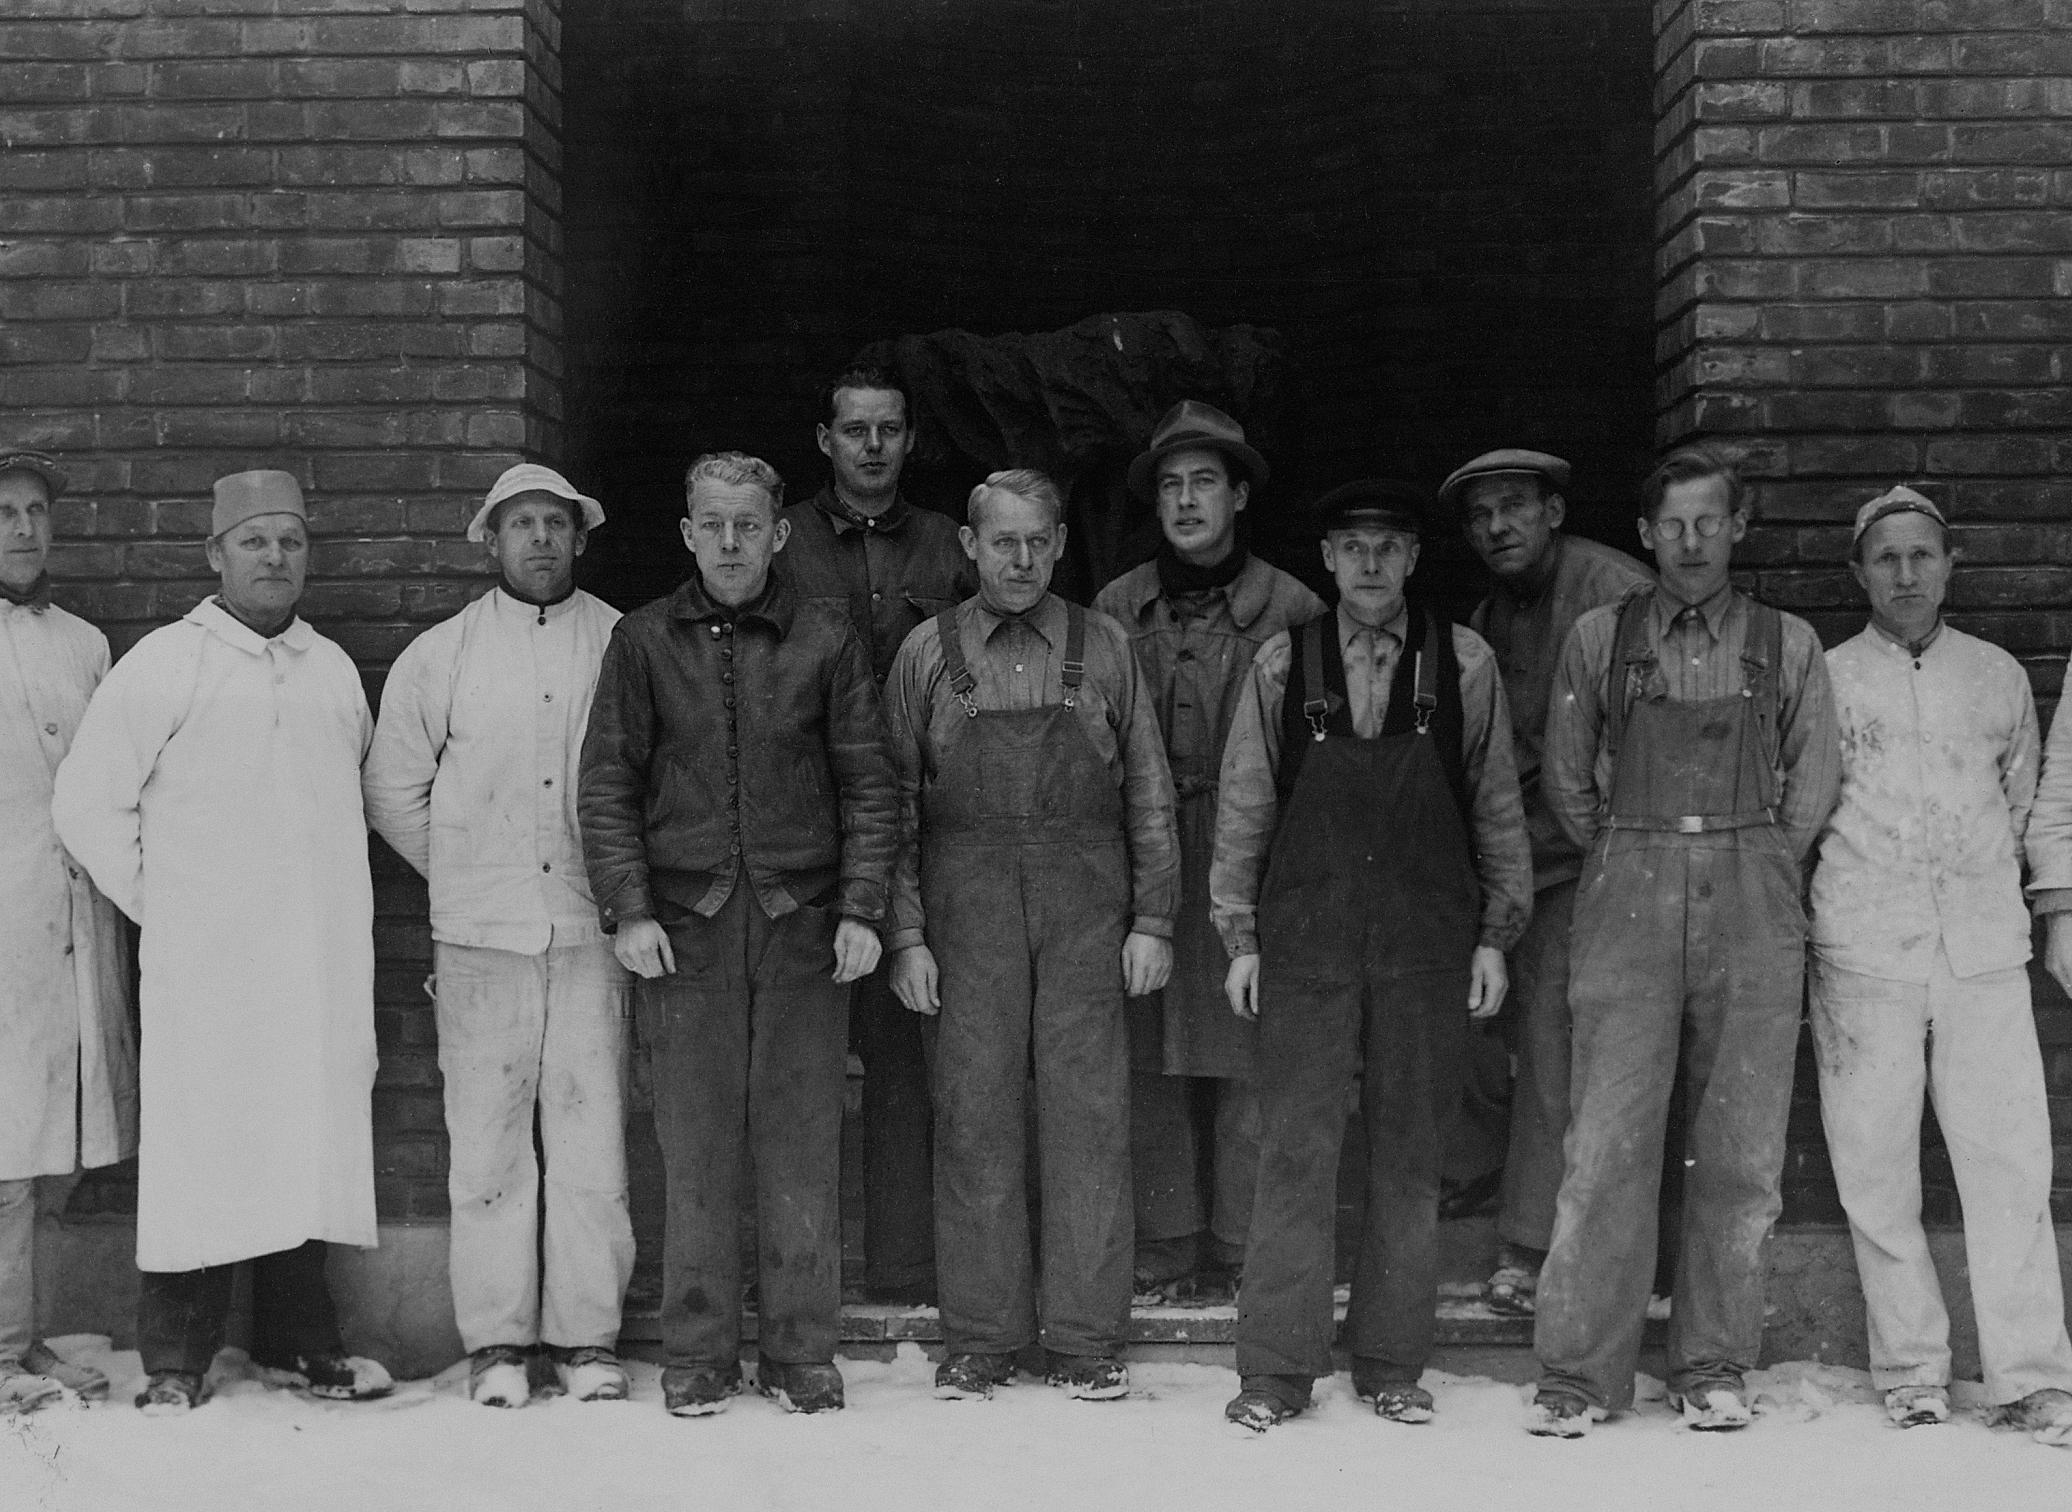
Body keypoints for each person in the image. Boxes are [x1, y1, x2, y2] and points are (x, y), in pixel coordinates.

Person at [52, 469, 391, 1414]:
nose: (274, 558)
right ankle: (176, 1358)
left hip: (313, 970)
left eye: (290, 541)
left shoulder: (330, 670)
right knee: (204, 1150)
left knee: (302, 1143)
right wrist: (171, 906)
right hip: (208, 973)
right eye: (254, 542)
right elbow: (86, 804)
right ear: (215, 554)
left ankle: (299, 1342)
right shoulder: (166, 663)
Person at [1529, 444, 1839, 1436]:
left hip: (1751, 893)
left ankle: (1712, 1364)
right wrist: (1634, 850)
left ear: (1737, 528)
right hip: (1630, 888)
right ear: (1645, 534)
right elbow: (1566, 778)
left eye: (1710, 522)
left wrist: (1756, 858)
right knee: (1606, 1140)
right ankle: (1579, 1376)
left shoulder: (1787, 644)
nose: (1692, 541)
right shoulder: (1601, 639)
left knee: (1737, 1150)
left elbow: (1813, 781)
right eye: (1672, 525)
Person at [579, 452, 897, 1418]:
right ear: (687, 533)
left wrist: (862, 908)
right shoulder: (642, 641)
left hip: (803, 926)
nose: (730, 542)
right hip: (686, 929)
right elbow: (608, 783)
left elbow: (869, 783)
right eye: (712, 524)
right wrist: (631, 907)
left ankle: (801, 1353)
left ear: (778, 534)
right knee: (695, 1144)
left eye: (748, 525)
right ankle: (698, 1352)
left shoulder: (826, 638)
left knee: (801, 1141)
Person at [1211, 477, 1531, 1431]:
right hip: (1307, 938)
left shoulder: (1462, 661)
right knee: (1295, 1148)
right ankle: (1276, 1371)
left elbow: (1496, 806)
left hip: (1425, 939)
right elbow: (1245, 805)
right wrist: (1239, 937)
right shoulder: (1283, 662)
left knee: (1409, 1149)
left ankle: (1393, 1362)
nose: (1371, 564)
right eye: (1352, 546)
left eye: (1389, 546)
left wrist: (1495, 936)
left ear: (1415, 557)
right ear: (1327, 558)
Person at [884, 468, 1179, 1403]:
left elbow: (1148, 790)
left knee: (1089, 1115)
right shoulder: (926, 653)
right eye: (1002, 541)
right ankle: (981, 1336)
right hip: (964, 907)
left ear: (1058, 546)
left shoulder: (1106, 644)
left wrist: (1154, 918)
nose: (1020, 559)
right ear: (970, 546)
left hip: (1085, 904)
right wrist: (906, 934)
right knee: (973, 1112)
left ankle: (1086, 1338)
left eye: (1037, 541)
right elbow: (893, 807)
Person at [365, 464, 634, 1407]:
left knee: (591, 1141)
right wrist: (469, 872)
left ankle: (588, 1339)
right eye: (522, 524)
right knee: (486, 1148)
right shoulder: (442, 654)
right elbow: (391, 789)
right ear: (492, 539)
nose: (540, 540)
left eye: (556, 523)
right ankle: (498, 1345)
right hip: (480, 940)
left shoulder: (624, 642)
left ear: (580, 537)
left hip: (593, 932)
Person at [1810, 485, 2072, 1445]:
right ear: (1859, 572)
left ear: (1951, 564)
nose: (1906, 574)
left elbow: (2022, 800)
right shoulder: (1825, 677)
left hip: (1981, 951)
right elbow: (1805, 808)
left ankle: (2030, 1376)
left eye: (1923, 554)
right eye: (1886, 558)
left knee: (2009, 1168)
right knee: (1874, 1167)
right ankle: (1911, 1367)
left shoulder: (1994, 674)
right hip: (1862, 948)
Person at [1094, 401, 1323, 1303]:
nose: (1187, 502)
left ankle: (1239, 1244)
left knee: (1249, 1049)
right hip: (1144, 850)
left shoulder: (1293, 608)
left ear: (1239, 496)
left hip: (1250, 854)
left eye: (1204, 483)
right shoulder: (1117, 608)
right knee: (1145, 1051)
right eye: (1170, 486)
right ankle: (1164, 1242)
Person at [779, 363, 974, 1304]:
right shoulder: (781, 544)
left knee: (902, 1059)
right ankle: (795, 1276)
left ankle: (900, 1272)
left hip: (920, 832)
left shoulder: (947, 546)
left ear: (910, 440)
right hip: (809, 832)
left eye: (888, 429)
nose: (871, 446)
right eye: (853, 429)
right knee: (799, 1062)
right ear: (825, 440)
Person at [1442, 448, 1652, 1314]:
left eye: (1515, 507)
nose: (1498, 527)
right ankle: (1476, 1173)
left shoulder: (1617, 593)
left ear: (1554, 512)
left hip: (1592, 859)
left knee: (1552, 1041)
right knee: (1459, 1005)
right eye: (1480, 515)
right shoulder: (1488, 615)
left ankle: (1531, 1245)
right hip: (1517, 854)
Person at [0, 450, 137, 1412]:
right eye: (5, 511)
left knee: (55, 1151)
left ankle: (22, 1339)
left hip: (77, 922)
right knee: (6, 1152)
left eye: (36, 511)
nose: (23, 529)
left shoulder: (86, 644)